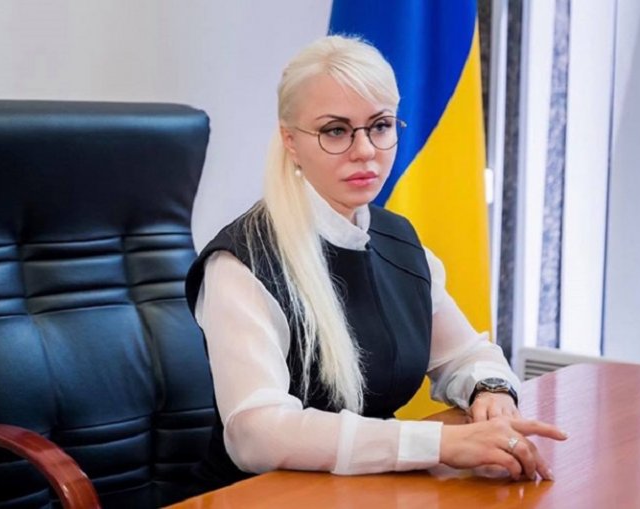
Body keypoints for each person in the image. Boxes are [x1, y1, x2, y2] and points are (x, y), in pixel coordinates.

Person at [184, 34, 567, 490]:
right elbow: (256, 434)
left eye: (380, 125)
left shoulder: (398, 239)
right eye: (335, 130)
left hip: (369, 489)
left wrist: (492, 392)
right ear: (291, 141)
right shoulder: (241, 262)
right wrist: (439, 444)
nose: (365, 150)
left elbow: (466, 354)